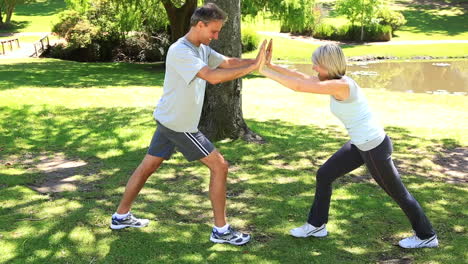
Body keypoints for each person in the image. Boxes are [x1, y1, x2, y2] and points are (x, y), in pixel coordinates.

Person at [110, 3, 267, 246]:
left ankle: (120, 217)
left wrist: (254, 61)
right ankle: (221, 230)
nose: (215, 37)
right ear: (200, 24)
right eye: (213, 31)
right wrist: (253, 69)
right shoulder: (180, 51)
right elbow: (213, 77)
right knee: (220, 166)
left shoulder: (201, 48)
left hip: (168, 119)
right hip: (179, 125)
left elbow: (226, 63)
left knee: (146, 167)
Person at [258, 41, 438, 249]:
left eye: (317, 64)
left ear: (328, 65)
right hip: (360, 145)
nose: (314, 68)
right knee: (324, 175)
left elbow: (299, 87)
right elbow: (302, 78)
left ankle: (426, 235)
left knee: (398, 193)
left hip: (373, 148)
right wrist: (271, 65)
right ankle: (317, 225)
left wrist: (263, 70)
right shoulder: (335, 81)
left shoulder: (342, 85)